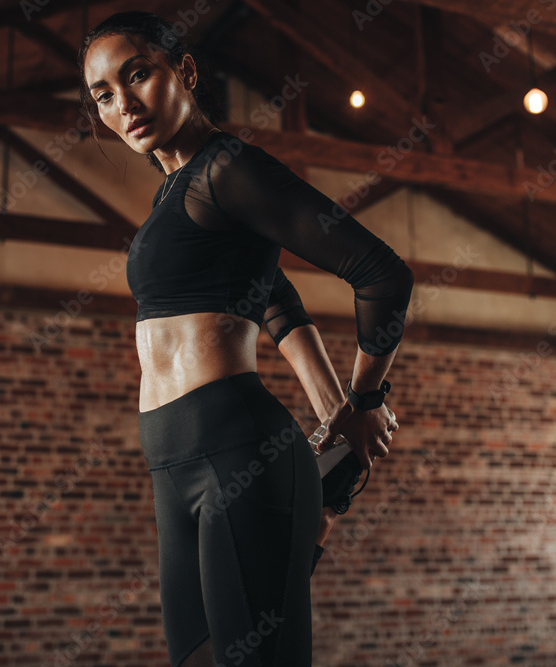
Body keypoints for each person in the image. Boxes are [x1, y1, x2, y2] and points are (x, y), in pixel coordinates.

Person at [78, 11, 414, 667]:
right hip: (171, 466)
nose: (125, 104)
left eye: (138, 73)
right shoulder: (175, 187)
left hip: (234, 448)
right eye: (104, 94)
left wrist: (364, 404)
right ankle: (318, 509)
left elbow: (382, 275)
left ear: (186, 70)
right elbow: (272, 293)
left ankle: (316, 508)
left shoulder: (226, 167)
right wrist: (328, 402)